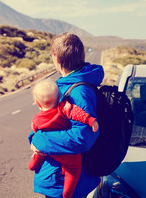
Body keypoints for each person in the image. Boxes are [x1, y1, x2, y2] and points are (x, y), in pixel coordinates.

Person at [29, 32, 104, 198]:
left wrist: (39, 140)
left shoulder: (78, 92)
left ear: (57, 59)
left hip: (63, 180)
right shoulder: (68, 86)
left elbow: (83, 136)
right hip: (59, 175)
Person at [28, 79, 99, 198]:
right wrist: (90, 120)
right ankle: (67, 193)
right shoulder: (63, 108)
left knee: (40, 152)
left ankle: (33, 164)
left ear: (38, 103)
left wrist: (35, 141)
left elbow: (36, 132)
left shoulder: (37, 118)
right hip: (65, 153)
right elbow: (76, 114)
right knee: (73, 170)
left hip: (49, 150)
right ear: (59, 97)